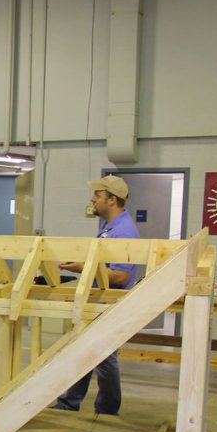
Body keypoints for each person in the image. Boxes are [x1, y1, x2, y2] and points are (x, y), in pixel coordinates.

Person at [52, 175, 139, 416]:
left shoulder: (124, 231)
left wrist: (83, 268)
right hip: (97, 298)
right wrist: (81, 263)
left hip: (111, 301)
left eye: (98, 196)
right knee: (85, 349)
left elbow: (121, 275)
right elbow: (103, 262)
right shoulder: (108, 227)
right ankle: (71, 401)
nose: (93, 199)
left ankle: (108, 408)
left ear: (112, 200)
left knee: (103, 355)